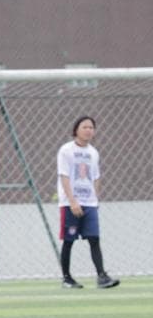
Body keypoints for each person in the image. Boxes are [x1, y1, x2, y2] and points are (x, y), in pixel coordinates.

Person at [57, 116, 119, 289]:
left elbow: (96, 177)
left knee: (94, 238)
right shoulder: (66, 150)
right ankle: (67, 278)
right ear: (76, 129)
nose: (89, 130)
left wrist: (95, 198)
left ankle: (102, 276)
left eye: (91, 127)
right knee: (69, 240)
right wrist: (72, 201)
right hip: (70, 203)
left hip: (89, 203)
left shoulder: (93, 152)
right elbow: (64, 176)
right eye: (85, 127)